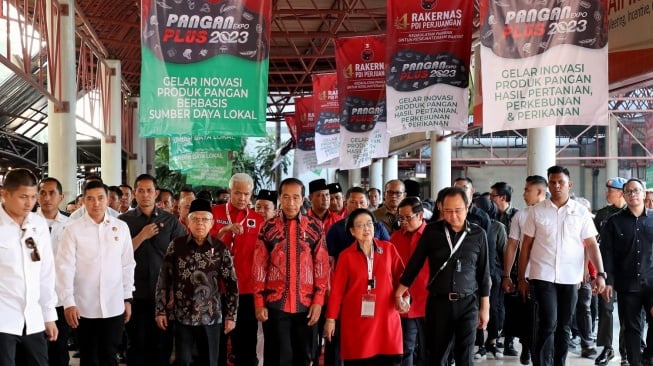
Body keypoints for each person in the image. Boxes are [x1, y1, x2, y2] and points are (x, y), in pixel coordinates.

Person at [518, 166, 606, 366]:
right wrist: (521, 277)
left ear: (569, 184)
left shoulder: (580, 212)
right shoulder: (536, 211)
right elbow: (526, 247)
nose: (557, 185)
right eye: (553, 182)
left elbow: (591, 244)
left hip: (570, 277)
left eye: (561, 182)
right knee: (548, 323)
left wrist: (600, 273)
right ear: (548, 184)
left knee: (564, 326)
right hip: (542, 275)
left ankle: (559, 362)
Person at [396, 186, 491, 366]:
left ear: (468, 206)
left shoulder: (478, 234)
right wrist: (399, 292)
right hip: (439, 303)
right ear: (440, 207)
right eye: (448, 211)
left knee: (465, 356)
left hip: (467, 303)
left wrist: (484, 308)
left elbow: (484, 273)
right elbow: (414, 265)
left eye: (458, 210)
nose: (453, 216)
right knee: (437, 355)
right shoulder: (432, 232)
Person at [55, 181, 136, 366]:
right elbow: (64, 267)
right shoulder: (73, 229)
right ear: (83, 201)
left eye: (100, 198)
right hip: (84, 307)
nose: (96, 203)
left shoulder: (120, 227)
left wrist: (127, 298)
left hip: (114, 304)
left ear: (108, 199)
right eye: (90, 199)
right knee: (89, 357)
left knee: (110, 355)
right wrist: (68, 302)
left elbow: (127, 265)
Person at [252, 178, 330, 366]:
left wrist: (319, 301)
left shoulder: (315, 226)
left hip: (307, 306)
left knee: (305, 356)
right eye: (286, 197)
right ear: (279, 198)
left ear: (303, 199)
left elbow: (321, 265)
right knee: (278, 356)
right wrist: (259, 302)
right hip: (275, 305)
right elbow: (259, 266)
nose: (291, 202)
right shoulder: (268, 227)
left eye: (296, 197)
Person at [155, 198, 239, 366]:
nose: (200, 223)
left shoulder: (220, 249)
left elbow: (231, 284)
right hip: (182, 317)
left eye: (205, 219)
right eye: (195, 219)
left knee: (209, 361)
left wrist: (231, 315)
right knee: (183, 361)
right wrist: (160, 310)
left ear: (211, 223)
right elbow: (164, 279)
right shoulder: (177, 246)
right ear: (187, 221)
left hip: (211, 317)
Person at [119, 174, 187, 366]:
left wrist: (175, 289)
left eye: (150, 190)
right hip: (135, 293)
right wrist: (141, 236)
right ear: (134, 193)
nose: (145, 195)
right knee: (137, 345)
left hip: (163, 295)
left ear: (156, 193)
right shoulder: (124, 221)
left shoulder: (171, 221)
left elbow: (180, 258)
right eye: (141, 190)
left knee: (162, 345)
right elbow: (117, 255)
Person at [324, 208, 404, 365]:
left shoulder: (388, 249)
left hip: (385, 318)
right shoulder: (346, 256)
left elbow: (401, 277)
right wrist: (331, 319)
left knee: (389, 359)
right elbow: (337, 291)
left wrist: (404, 296)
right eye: (360, 225)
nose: (366, 228)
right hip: (356, 320)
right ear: (352, 231)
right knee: (359, 359)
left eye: (369, 224)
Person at [0, 168, 58, 366]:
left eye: (33, 197)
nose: (29, 203)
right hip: (3, 318)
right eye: (23, 197)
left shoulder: (38, 224)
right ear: (5, 194)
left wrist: (48, 315)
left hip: (33, 317)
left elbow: (46, 272)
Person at [210, 173, 264, 366]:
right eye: (238, 193)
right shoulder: (213, 214)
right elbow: (200, 244)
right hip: (215, 291)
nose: (242, 198)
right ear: (229, 191)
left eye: (247, 194)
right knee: (216, 345)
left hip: (246, 291)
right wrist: (223, 231)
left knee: (246, 345)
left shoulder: (258, 220)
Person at [601, 178, 653, 366]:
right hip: (627, 283)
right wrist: (608, 281)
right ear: (624, 195)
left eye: (636, 190)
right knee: (631, 328)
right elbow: (607, 254)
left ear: (644, 193)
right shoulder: (614, 222)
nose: (633, 194)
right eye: (629, 191)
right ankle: (635, 362)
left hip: (651, 281)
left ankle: (648, 356)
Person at [502, 175, 548, 365]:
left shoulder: (551, 213)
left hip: (548, 275)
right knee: (527, 316)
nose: (523, 194)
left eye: (527, 190)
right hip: (526, 274)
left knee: (547, 318)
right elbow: (512, 246)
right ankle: (527, 346)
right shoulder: (520, 215)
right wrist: (507, 274)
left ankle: (542, 352)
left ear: (539, 192)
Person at [36, 177, 71, 366]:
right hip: (33, 299)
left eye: (52, 193)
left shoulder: (70, 225)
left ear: (61, 197)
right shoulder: (27, 222)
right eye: (42, 192)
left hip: (60, 299)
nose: (47, 197)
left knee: (59, 348)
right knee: (35, 351)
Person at [594, 177, 628, 366]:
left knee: (627, 310)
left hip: (626, 270)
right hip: (606, 270)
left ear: (621, 192)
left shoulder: (631, 213)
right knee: (605, 309)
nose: (607, 193)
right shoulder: (602, 214)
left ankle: (626, 350)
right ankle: (607, 347)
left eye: (611, 190)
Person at [390, 197, 428, 366]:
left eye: (407, 218)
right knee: (405, 348)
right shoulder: (395, 238)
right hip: (403, 301)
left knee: (428, 349)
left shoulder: (432, 236)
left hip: (427, 301)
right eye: (400, 218)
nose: (403, 222)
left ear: (420, 215)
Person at [327, 187, 390, 262]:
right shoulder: (335, 229)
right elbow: (331, 258)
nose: (358, 206)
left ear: (368, 203)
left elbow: (388, 252)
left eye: (361, 202)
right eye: (353, 202)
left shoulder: (378, 226)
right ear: (346, 204)